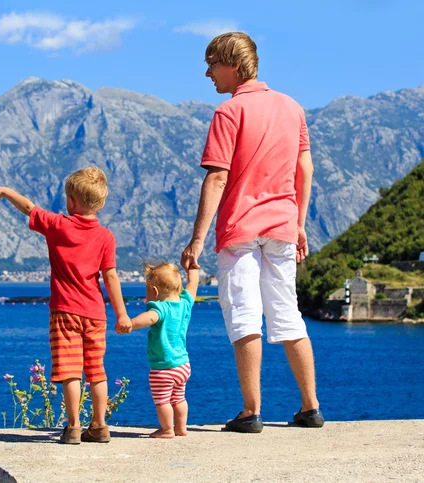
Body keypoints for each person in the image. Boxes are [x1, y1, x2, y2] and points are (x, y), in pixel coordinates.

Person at [180, 32, 324, 433]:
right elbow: (305, 169)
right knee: (288, 315)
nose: (207, 73)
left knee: (244, 315)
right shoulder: (292, 107)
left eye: (212, 64)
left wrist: (196, 241)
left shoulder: (229, 113)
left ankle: (251, 411)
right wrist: (299, 223)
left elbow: (216, 179)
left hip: (239, 228)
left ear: (234, 66)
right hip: (282, 225)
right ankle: (310, 407)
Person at [0, 166, 132, 444]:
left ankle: (74, 426)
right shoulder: (106, 237)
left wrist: (5, 191)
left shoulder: (58, 225)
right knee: (96, 370)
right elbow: (111, 276)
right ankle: (100, 425)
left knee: (70, 370)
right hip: (95, 314)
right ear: (100, 204)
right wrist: (122, 314)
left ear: (70, 201)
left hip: (65, 313)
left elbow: (29, 208)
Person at [128, 262, 198, 438]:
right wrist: (193, 270)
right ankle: (181, 428)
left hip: (163, 368)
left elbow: (149, 318)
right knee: (179, 398)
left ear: (155, 291)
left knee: (162, 401)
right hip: (183, 365)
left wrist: (130, 324)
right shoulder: (185, 303)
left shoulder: (160, 307)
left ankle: (167, 429)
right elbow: (193, 284)